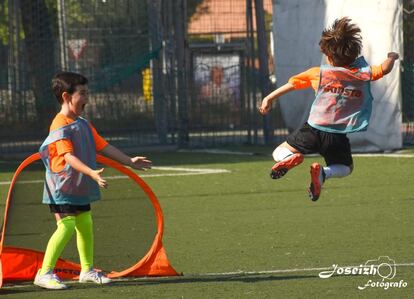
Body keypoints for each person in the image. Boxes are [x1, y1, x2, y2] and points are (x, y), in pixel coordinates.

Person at [259, 17, 399, 202]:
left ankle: (288, 158)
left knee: (279, 151)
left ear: (329, 56)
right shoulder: (363, 74)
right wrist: (392, 57)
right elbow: (384, 69)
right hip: (336, 135)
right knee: (345, 168)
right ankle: (324, 174)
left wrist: (269, 98)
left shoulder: (318, 73)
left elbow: (292, 84)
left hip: (313, 128)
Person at [34, 71, 152, 289]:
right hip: (61, 186)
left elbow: (103, 146)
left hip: (77, 186)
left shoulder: (83, 124)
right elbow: (68, 156)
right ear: (66, 96)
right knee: (67, 225)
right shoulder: (59, 124)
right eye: (83, 93)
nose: (87, 98)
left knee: (85, 224)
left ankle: (86, 271)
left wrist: (129, 160)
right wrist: (91, 172)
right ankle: (44, 272)